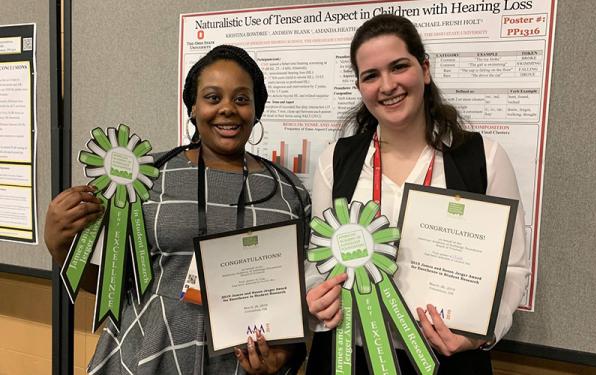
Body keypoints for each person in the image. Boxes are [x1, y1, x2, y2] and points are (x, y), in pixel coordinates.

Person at [45, 45, 310, 374]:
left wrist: (282, 358)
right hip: (148, 354)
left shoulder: (289, 192)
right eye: (213, 98)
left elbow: (298, 299)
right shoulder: (146, 175)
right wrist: (58, 243)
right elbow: (110, 283)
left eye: (241, 99)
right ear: (193, 108)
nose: (227, 109)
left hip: (239, 363)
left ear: (257, 110)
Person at [304, 14, 529, 374]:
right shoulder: (336, 159)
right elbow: (319, 259)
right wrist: (319, 296)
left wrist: (480, 335)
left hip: (447, 357)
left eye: (399, 67)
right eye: (371, 75)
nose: (387, 85)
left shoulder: (483, 158)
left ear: (424, 69)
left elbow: (513, 268)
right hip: (350, 356)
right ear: (360, 86)